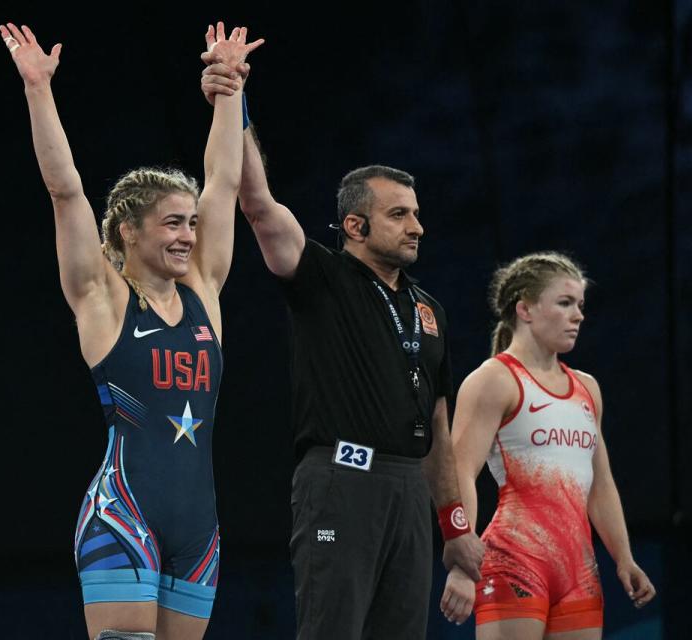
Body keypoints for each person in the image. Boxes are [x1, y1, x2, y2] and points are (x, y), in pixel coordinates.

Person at [199, 48, 484, 638]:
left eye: (417, 214)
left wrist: (455, 529)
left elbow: (437, 425)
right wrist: (235, 101)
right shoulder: (320, 277)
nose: (417, 227)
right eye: (399, 215)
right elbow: (256, 203)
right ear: (356, 226)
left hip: (410, 492)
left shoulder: (429, 310)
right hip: (340, 480)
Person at [0, 21, 262, 640]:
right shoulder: (104, 300)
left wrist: (228, 91)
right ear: (128, 232)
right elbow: (65, 192)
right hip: (124, 518)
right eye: (172, 224)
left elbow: (224, 182)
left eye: (191, 224)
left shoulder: (203, 291)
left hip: (199, 528)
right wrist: (39, 88)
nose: (188, 237)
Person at [449, 253, 657, 638]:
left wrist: (623, 557)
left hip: (578, 569)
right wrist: (463, 561)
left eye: (580, 305)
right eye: (565, 303)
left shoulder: (587, 388)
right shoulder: (494, 380)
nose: (578, 315)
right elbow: (458, 469)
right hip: (513, 559)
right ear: (525, 309)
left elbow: (601, 483)